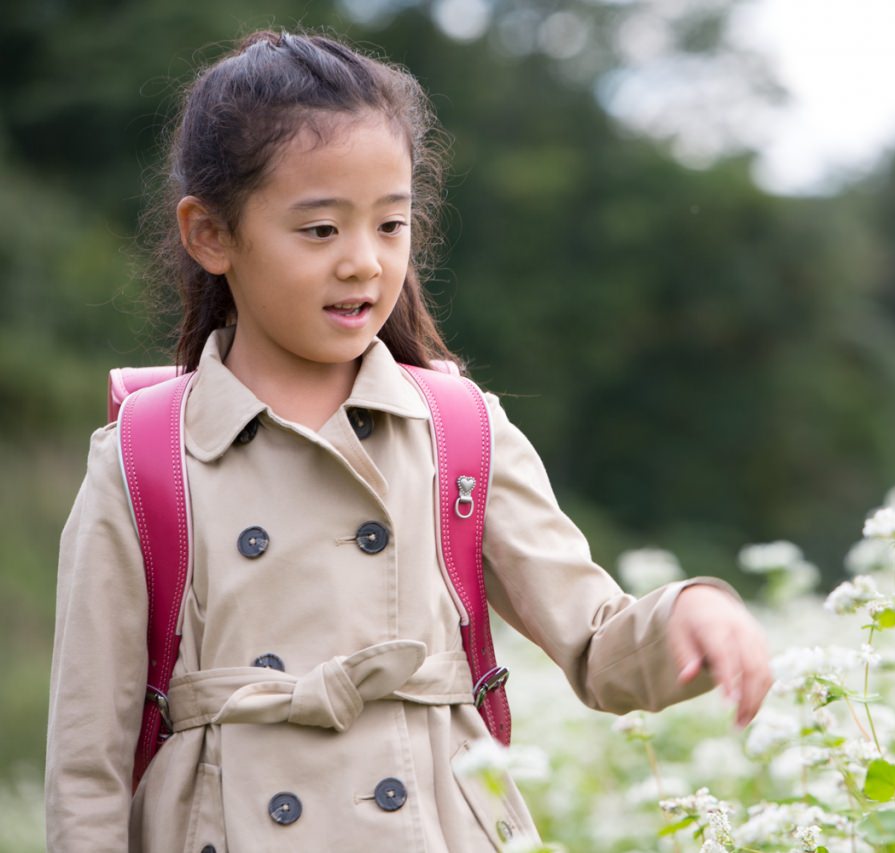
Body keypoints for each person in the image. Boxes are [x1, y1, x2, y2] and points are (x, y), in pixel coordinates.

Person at [44, 29, 772, 851]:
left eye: (390, 226)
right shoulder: (143, 457)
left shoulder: (460, 431)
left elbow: (596, 640)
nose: (363, 263)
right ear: (211, 234)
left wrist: (689, 614)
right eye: (320, 231)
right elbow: (87, 761)